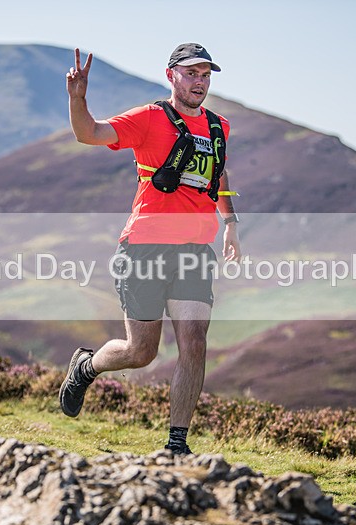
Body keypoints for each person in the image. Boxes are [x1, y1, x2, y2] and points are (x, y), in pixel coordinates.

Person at [60, 43, 241, 454]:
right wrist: (78, 99)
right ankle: (86, 366)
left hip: (195, 250)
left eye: (206, 75)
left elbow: (220, 170)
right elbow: (88, 134)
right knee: (141, 352)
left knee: (194, 341)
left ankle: (177, 445)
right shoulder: (148, 118)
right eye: (191, 73)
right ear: (171, 75)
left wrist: (230, 221)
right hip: (144, 248)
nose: (200, 81)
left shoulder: (219, 127)